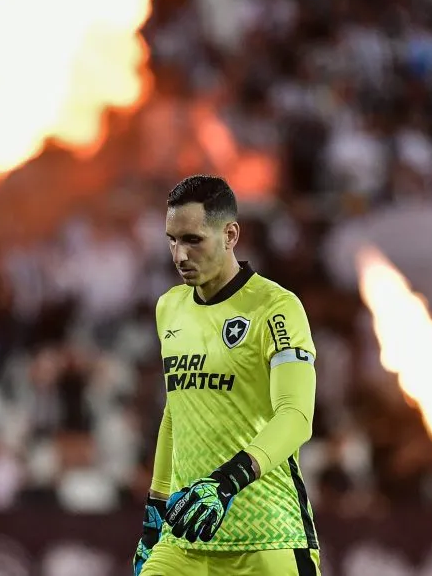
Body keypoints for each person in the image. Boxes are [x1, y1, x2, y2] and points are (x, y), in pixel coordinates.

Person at [133, 175, 321, 575]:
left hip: (268, 538)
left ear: (230, 234)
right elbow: (176, 413)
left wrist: (225, 483)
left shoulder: (277, 308)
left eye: (193, 240)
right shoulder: (170, 307)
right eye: (172, 240)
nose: (180, 255)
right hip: (185, 537)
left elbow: (296, 417)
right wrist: (156, 510)